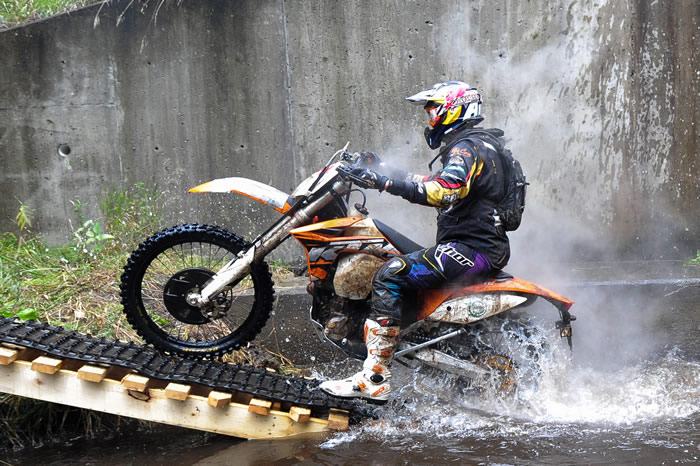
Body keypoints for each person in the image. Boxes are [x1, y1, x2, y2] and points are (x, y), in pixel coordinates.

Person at [320, 81, 513, 403]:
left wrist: (383, 183)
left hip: (472, 250)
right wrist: (382, 169)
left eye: (433, 110)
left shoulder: (468, 148)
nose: (430, 118)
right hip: (473, 246)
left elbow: (443, 191)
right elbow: (432, 182)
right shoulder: (479, 146)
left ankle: (375, 378)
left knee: (389, 274)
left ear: (455, 109)